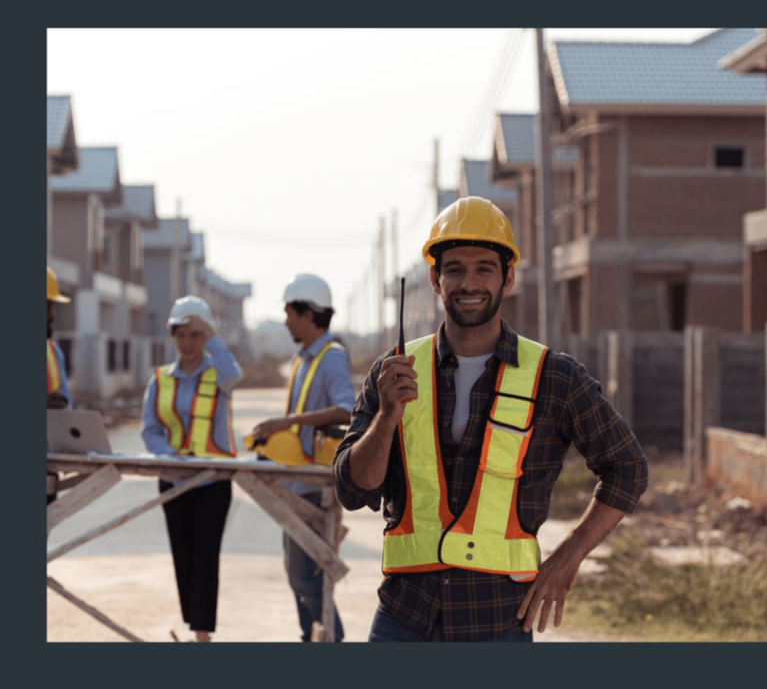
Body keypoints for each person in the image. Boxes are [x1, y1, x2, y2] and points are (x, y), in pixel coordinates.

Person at [333, 197, 649, 643]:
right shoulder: (396, 370)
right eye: (455, 269)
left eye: (485, 268)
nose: (470, 282)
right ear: (435, 279)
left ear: (509, 277)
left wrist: (569, 557)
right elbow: (353, 489)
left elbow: (628, 468)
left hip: (498, 622)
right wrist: (386, 418)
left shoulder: (553, 376)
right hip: (405, 617)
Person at [250, 274, 355, 643]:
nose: (285, 321)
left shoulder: (332, 358)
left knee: (305, 576)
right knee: (297, 575)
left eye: (289, 313)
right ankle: (311, 639)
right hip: (294, 483)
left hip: (315, 485)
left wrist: (287, 421)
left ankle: (331, 641)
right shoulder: (303, 359)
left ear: (308, 313)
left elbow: (346, 410)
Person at [141, 295, 242, 643]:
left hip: (212, 481)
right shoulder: (160, 380)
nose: (188, 343)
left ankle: (202, 637)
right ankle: (194, 626)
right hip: (172, 479)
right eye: (181, 334)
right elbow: (150, 429)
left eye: (195, 335)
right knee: (182, 557)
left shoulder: (220, 377)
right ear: (172, 337)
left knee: (204, 558)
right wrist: (170, 458)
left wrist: (210, 330)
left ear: (205, 337)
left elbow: (235, 372)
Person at [47, 267, 73, 506]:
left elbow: (67, 405)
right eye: (47, 306)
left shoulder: (53, 351)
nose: (52, 314)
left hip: (48, 463)